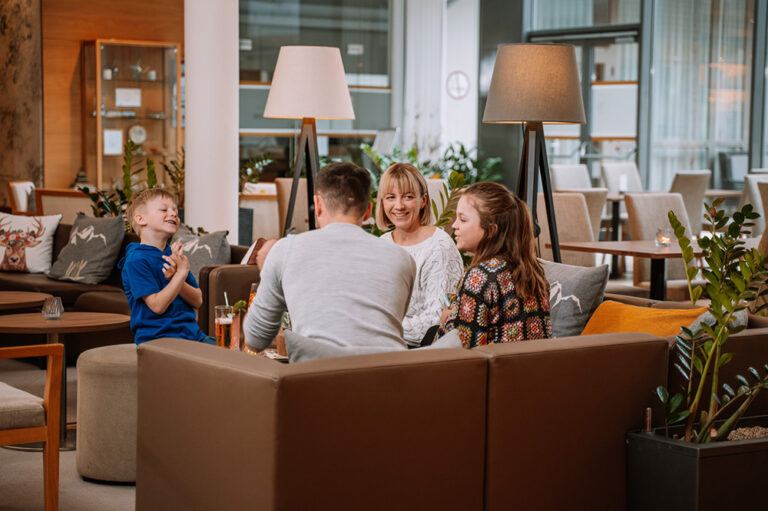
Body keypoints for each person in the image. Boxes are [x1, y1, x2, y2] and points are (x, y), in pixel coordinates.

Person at [243, 162, 417, 361]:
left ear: (317, 205)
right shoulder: (402, 259)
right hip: (392, 384)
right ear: (368, 211)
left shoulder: (285, 251)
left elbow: (255, 340)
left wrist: (267, 271)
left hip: (318, 384)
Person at [440, 182, 552, 348]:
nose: (455, 225)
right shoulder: (533, 269)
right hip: (533, 368)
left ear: (491, 230)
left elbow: (466, 348)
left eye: (462, 219)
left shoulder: (479, 277)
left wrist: (447, 319)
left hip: (495, 371)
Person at [375, 163, 464, 347]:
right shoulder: (381, 244)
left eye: (408, 197)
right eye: (391, 197)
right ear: (382, 202)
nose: (398, 206)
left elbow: (436, 320)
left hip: (421, 351)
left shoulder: (439, 247)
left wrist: (379, 328)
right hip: (381, 343)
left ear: (423, 201)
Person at [119, 188, 213, 345]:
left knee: (240, 357)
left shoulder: (173, 256)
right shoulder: (136, 260)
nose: (173, 213)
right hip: (159, 342)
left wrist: (177, 278)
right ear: (141, 219)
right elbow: (157, 306)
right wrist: (181, 273)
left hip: (193, 337)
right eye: (164, 209)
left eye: (175, 210)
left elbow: (198, 300)